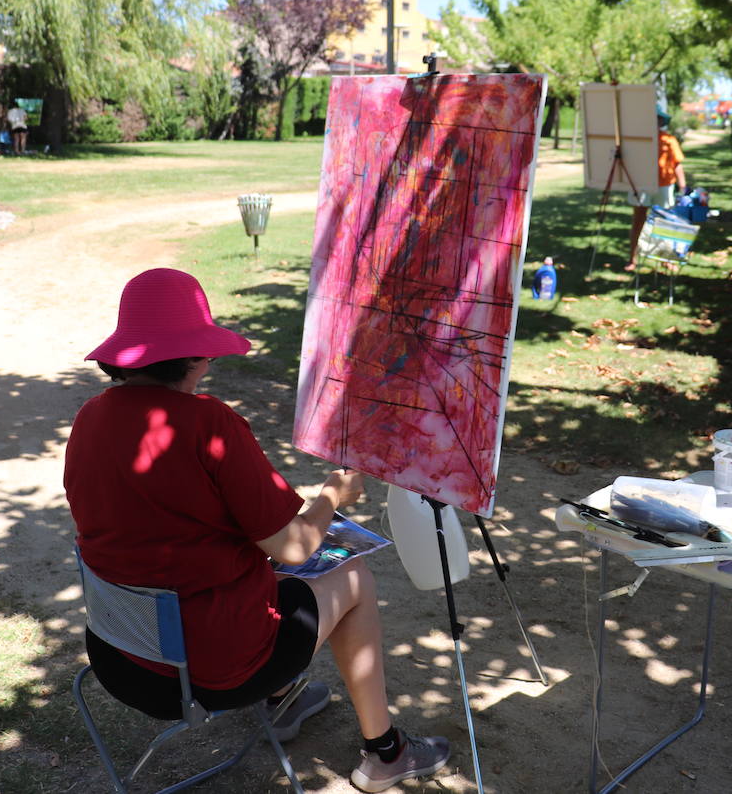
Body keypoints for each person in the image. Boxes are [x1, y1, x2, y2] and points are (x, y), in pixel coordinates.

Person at [63, 268, 450, 792]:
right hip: (209, 671)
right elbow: (295, 545)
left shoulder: (90, 417)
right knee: (353, 578)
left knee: (261, 572)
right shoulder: (209, 424)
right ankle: (385, 752)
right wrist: (333, 496)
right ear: (196, 356)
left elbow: (162, 524)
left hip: (122, 656)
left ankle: (280, 699)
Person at [626, 108, 687, 270]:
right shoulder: (638, 140)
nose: (654, 122)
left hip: (664, 185)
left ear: (661, 122)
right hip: (641, 184)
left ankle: (665, 259)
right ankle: (632, 258)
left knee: (664, 222)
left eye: (658, 119)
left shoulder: (669, 139)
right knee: (638, 221)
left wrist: (683, 186)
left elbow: (677, 164)